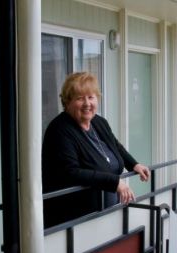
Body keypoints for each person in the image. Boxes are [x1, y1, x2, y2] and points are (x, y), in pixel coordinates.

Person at [42, 72, 150, 227]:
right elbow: (71, 173)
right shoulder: (59, 130)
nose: (87, 103)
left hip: (106, 214)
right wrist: (115, 182)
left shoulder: (98, 122)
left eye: (91, 97)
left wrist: (134, 164)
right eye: (80, 98)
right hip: (75, 221)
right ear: (67, 102)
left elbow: (115, 146)